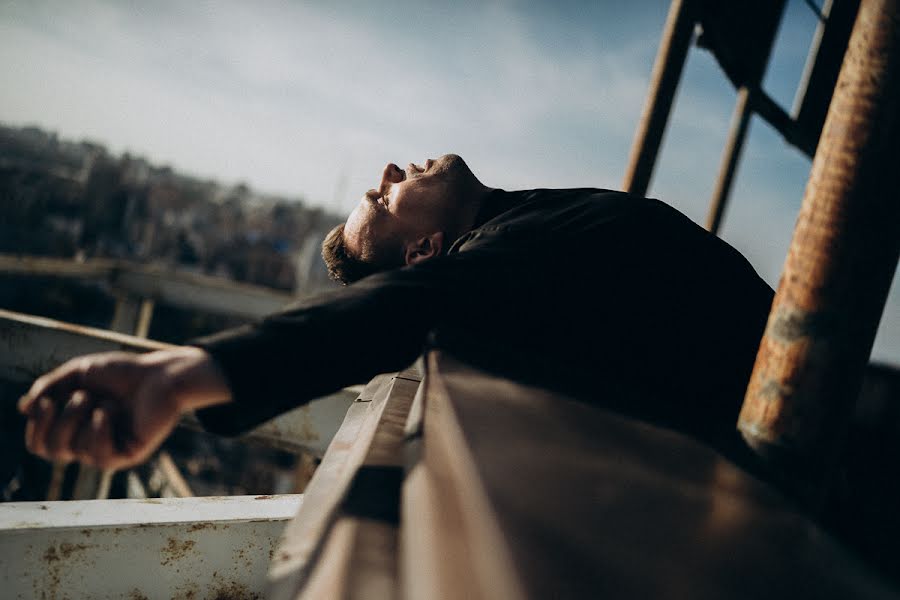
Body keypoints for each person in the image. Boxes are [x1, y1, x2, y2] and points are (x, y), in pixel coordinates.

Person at [18, 154, 774, 471]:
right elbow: (403, 311)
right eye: (382, 202)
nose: (385, 174)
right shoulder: (496, 261)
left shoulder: (515, 231)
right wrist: (181, 377)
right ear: (425, 252)